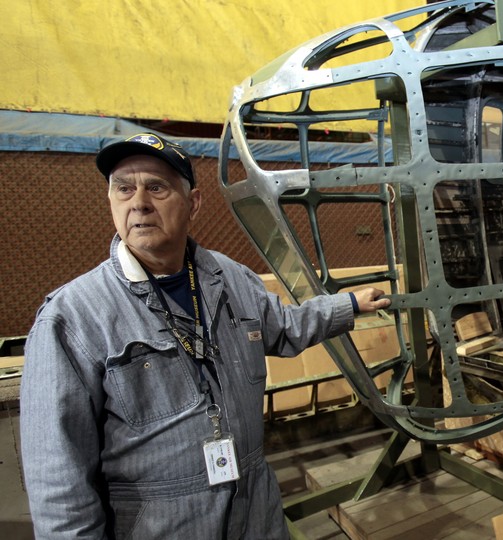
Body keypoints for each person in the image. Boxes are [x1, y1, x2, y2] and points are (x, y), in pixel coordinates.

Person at [20, 132, 391, 539]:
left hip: (255, 514)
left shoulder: (228, 278)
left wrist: (349, 304)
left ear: (193, 203)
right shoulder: (72, 317)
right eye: (123, 189)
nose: (138, 203)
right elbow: (59, 479)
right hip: (162, 525)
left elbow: (284, 327)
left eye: (156, 187)